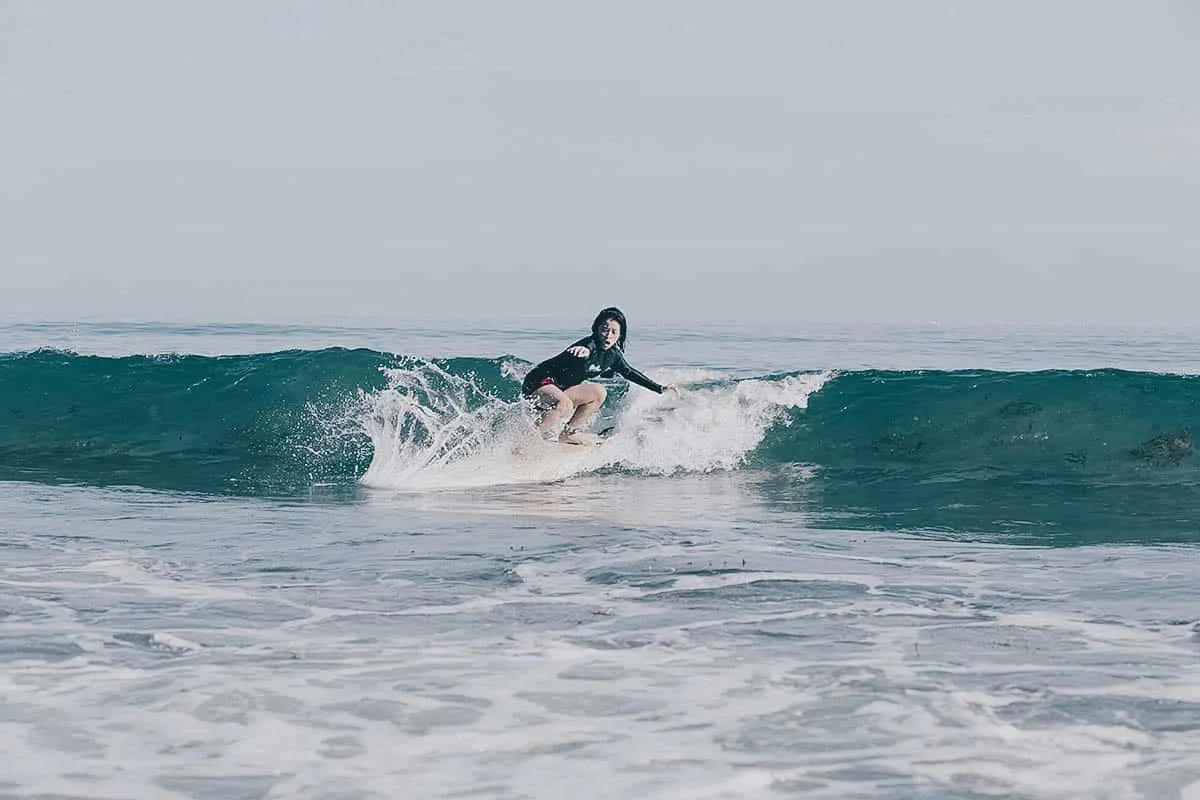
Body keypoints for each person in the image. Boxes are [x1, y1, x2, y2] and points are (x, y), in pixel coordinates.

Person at [521, 307, 675, 444]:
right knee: (565, 404)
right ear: (596, 329)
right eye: (604, 329)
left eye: (614, 332)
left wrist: (660, 388)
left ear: (620, 335)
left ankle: (569, 434)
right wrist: (584, 351)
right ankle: (530, 442)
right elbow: (587, 347)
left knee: (599, 393)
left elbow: (630, 373)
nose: (608, 335)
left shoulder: (613, 356)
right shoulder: (588, 344)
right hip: (539, 381)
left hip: (560, 389)